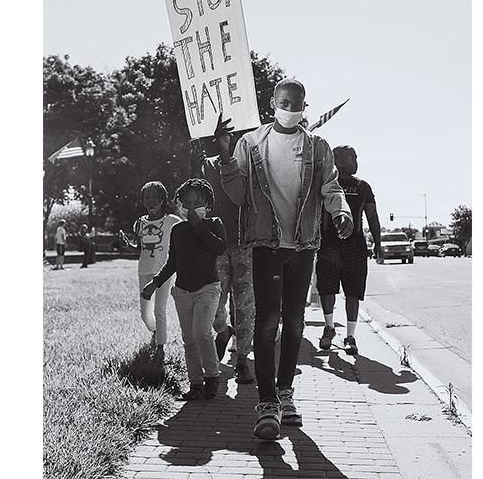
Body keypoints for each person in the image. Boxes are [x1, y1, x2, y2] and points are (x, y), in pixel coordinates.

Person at [216, 78, 353, 440]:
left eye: (298, 104)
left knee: (293, 324)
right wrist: (225, 155)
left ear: (305, 107)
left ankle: (286, 394)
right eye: (285, 102)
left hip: (304, 245)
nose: (291, 109)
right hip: (266, 245)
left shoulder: (318, 147)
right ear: (272, 102)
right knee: (266, 323)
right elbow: (239, 195)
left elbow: (331, 186)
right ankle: (267, 403)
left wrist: (341, 212)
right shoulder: (251, 143)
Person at [141, 178, 227, 400]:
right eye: (186, 203)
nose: (190, 207)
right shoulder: (178, 230)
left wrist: (198, 224)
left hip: (208, 288)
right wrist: (155, 283)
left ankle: (212, 376)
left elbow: (219, 247)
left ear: (207, 204)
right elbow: (172, 262)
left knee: (202, 333)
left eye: (196, 202)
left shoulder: (214, 223)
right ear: (179, 203)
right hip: (182, 291)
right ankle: (195, 383)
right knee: (189, 340)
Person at [191, 137, 256, 384]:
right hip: (216, 246)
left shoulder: (249, 165)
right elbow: (194, 200)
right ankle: (223, 330)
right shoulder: (207, 165)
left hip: (245, 244)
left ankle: (242, 360)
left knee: (244, 305)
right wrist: (193, 168)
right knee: (214, 302)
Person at [316, 146, 383, 356]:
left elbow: (372, 217)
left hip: (355, 245)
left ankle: (351, 336)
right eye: (351, 157)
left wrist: (378, 243)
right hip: (328, 245)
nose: (355, 161)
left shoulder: (363, 187)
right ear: (337, 160)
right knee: (327, 289)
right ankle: (329, 328)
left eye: (356, 157)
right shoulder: (325, 184)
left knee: (353, 291)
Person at [131, 181, 182, 353]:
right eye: (147, 197)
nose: (151, 200)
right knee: (145, 314)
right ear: (143, 200)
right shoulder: (140, 223)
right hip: (144, 270)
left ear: (162, 199)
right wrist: (127, 245)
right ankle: (155, 331)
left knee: (159, 309)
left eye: (154, 197)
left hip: (164, 272)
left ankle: (161, 346)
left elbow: (187, 234)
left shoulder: (172, 221)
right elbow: (140, 247)